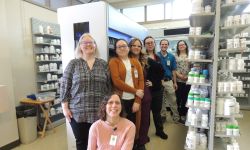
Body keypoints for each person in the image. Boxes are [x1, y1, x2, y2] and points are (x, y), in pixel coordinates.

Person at [60, 33, 111, 150]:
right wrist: (65, 108)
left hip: (100, 112)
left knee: (100, 143)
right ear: (80, 46)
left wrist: (108, 108)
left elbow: (109, 88)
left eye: (91, 42)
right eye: (84, 42)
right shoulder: (73, 63)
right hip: (78, 113)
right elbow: (64, 85)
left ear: (95, 45)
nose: (88, 44)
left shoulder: (103, 64)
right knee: (82, 143)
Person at [108, 39, 144, 140]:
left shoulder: (135, 61)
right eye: (119, 46)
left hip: (134, 100)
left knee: (132, 125)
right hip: (120, 100)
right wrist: (135, 91)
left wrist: (137, 100)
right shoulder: (113, 62)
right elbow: (117, 81)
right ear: (116, 50)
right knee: (119, 126)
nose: (122, 48)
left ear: (128, 48)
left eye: (124, 46)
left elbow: (141, 80)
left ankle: (132, 145)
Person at [129, 38, 151, 150]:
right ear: (130, 47)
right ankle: (133, 141)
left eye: (138, 46)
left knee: (145, 119)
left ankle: (141, 141)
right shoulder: (126, 60)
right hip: (132, 93)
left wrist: (152, 82)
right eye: (134, 45)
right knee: (133, 119)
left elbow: (151, 74)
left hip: (145, 93)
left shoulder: (144, 59)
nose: (136, 47)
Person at [144, 36, 168, 140]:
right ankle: (144, 134)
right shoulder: (142, 57)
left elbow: (161, 72)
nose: (150, 44)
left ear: (154, 44)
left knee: (157, 112)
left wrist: (155, 82)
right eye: (147, 43)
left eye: (151, 42)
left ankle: (159, 131)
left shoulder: (157, 57)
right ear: (144, 45)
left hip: (157, 89)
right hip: (147, 90)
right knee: (146, 113)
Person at [157, 39, 180, 123]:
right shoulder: (156, 56)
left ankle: (176, 117)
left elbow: (173, 70)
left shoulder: (171, 56)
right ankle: (163, 116)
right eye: (162, 44)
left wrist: (175, 82)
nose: (164, 46)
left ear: (168, 45)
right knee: (161, 101)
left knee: (173, 100)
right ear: (160, 45)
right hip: (159, 82)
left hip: (169, 81)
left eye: (165, 44)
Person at [175, 40, 191, 123]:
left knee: (185, 98)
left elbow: (193, 67)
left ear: (186, 45)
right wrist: (179, 75)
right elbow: (174, 68)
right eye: (179, 45)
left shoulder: (190, 55)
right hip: (178, 80)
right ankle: (177, 115)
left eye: (183, 44)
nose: (181, 46)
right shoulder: (175, 55)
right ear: (178, 47)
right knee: (178, 98)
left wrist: (188, 76)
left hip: (188, 80)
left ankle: (183, 114)